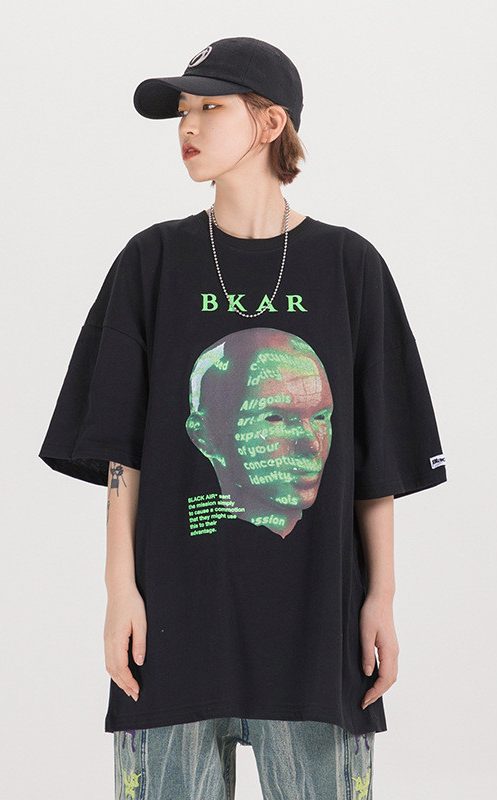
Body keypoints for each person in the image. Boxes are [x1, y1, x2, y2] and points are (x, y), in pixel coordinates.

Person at [38, 36, 447, 799]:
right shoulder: (152, 263)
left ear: (270, 123)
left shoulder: (349, 267)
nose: (188, 126)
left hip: (316, 629)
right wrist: (119, 592)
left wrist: (381, 598)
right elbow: (123, 454)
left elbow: (376, 459)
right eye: (183, 111)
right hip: (174, 624)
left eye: (210, 106)